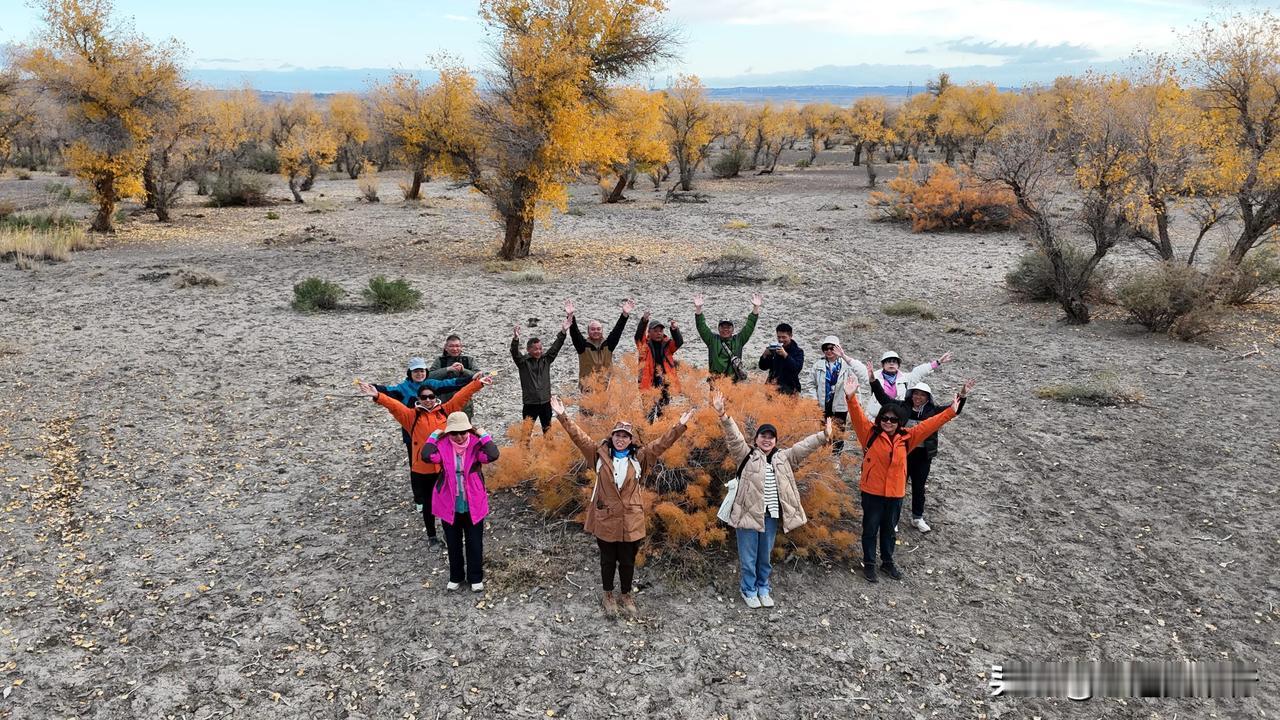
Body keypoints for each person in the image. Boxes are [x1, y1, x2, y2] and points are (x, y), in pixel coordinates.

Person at [549, 395, 694, 619]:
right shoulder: (597, 454)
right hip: (606, 519)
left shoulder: (641, 458)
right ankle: (608, 595)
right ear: (612, 436)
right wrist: (562, 415)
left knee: (627, 561)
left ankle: (626, 595)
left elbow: (662, 444)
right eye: (617, 435)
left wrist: (680, 426)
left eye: (625, 436)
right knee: (607, 560)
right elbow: (578, 437)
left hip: (631, 520)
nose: (620, 439)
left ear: (630, 440)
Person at [843, 373, 975, 583]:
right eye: (884, 418)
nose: (888, 422)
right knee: (870, 529)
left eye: (893, 419)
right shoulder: (869, 433)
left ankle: (887, 563)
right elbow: (858, 415)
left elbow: (931, 424)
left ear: (899, 422)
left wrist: (951, 410)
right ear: (880, 419)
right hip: (872, 492)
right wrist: (850, 397)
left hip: (895, 493)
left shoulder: (908, 437)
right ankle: (869, 564)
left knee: (888, 530)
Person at [713, 391, 832, 608]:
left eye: (771, 437)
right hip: (747, 514)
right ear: (756, 439)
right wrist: (723, 415)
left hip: (770, 515)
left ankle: (763, 587)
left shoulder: (783, 457)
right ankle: (748, 590)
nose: (767, 440)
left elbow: (803, 447)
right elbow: (734, 437)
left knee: (764, 556)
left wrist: (823, 436)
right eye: (763, 436)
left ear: (775, 440)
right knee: (748, 557)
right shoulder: (746, 455)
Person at [357, 373, 492, 546]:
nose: (428, 400)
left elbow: (461, 396)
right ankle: (432, 536)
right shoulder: (411, 416)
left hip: (445, 467)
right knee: (428, 504)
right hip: (423, 469)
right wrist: (377, 395)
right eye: (424, 397)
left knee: (448, 501)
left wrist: (477, 384)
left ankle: (449, 532)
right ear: (418, 399)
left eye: (431, 396)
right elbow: (394, 406)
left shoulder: (446, 411)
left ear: (435, 397)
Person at [373, 357, 472, 528]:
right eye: (416, 371)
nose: (428, 400)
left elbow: (458, 391)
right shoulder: (407, 401)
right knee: (419, 474)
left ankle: (448, 528)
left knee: (445, 496)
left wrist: (475, 381)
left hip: (440, 462)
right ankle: (422, 508)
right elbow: (391, 401)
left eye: (431, 396)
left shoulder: (441, 407)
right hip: (414, 438)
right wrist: (375, 392)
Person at [869, 374, 966, 533]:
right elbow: (883, 398)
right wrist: (873, 381)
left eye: (922, 395)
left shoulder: (933, 411)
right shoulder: (901, 407)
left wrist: (962, 395)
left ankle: (917, 518)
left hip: (923, 456)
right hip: (903, 454)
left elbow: (954, 410)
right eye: (915, 394)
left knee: (919, 487)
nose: (918, 397)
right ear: (910, 394)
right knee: (898, 487)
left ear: (928, 398)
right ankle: (893, 519)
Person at [421, 412, 500, 592]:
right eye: (454, 433)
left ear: (469, 430)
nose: (459, 436)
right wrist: (434, 435)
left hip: (473, 502)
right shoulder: (442, 445)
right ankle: (456, 576)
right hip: (449, 503)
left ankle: (475, 577)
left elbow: (493, 454)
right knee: (453, 541)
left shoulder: (476, 445)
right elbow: (426, 456)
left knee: (474, 541)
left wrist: (483, 434)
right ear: (448, 433)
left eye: (463, 432)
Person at [848, 349, 954, 419]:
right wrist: (844, 356)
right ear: (883, 364)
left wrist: (937, 362)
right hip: (876, 417)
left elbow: (919, 371)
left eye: (894, 361)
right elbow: (860, 369)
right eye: (888, 361)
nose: (891, 363)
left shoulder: (906, 379)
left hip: (897, 419)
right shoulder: (873, 377)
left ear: (898, 365)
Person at [511, 319, 569, 432]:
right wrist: (515, 339)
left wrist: (563, 332)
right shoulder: (523, 362)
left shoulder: (546, 360)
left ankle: (548, 450)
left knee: (548, 431)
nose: (539, 351)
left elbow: (555, 347)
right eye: (536, 349)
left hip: (545, 402)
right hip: (530, 403)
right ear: (529, 350)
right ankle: (523, 450)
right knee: (526, 432)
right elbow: (514, 352)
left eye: (540, 349)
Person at [693, 292, 761, 381]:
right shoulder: (712, 340)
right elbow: (701, 326)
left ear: (733, 329)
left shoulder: (739, 340)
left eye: (728, 327)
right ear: (718, 328)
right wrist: (698, 309)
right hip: (715, 383)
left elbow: (749, 326)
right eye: (723, 327)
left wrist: (756, 308)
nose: (725, 329)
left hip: (734, 384)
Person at [566, 298, 633, 388]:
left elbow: (618, 330)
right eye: (592, 329)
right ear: (588, 332)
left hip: (606, 388)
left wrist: (624, 315)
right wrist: (570, 316)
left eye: (598, 329)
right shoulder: (582, 345)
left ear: (602, 331)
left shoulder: (608, 344)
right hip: (588, 389)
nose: (596, 331)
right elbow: (575, 333)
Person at [806, 337, 856, 454]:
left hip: (840, 404)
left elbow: (855, 381)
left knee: (838, 431)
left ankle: (836, 457)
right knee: (823, 431)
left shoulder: (846, 365)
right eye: (825, 348)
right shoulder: (818, 365)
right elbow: (810, 384)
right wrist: (814, 399)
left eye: (831, 348)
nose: (828, 351)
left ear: (838, 348)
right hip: (823, 404)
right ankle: (824, 456)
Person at [635, 311, 683, 417]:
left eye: (660, 331)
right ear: (649, 332)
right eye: (655, 331)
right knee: (648, 415)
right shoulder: (644, 346)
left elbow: (679, 342)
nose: (659, 333)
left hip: (664, 384)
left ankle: (662, 432)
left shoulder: (668, 344)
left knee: (664, 414)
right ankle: (647, 433)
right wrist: (644, 321)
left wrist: (674, 330)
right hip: (647, 385)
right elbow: (638, 336)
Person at [428, 335, 482, 412]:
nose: (455, 349)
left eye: (457, 346)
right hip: (444, 403)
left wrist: (464, 370)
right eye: (451, 346)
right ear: (446, 347)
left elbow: (479, 376)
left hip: (464, 403)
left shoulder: (468, 360)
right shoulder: (440, 361)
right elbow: (429, 376)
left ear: (461, 347)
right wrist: (448, 369)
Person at [757, 323, 805, 395]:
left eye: (784, 337)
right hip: (771, 388)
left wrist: (785, 355)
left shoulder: (798, 351)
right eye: (779, 337)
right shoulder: (774, 349)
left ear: (790, 336)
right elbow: (763, 367)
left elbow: (796, 369)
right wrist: (764, 355)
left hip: (790, 390)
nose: (781, 340)